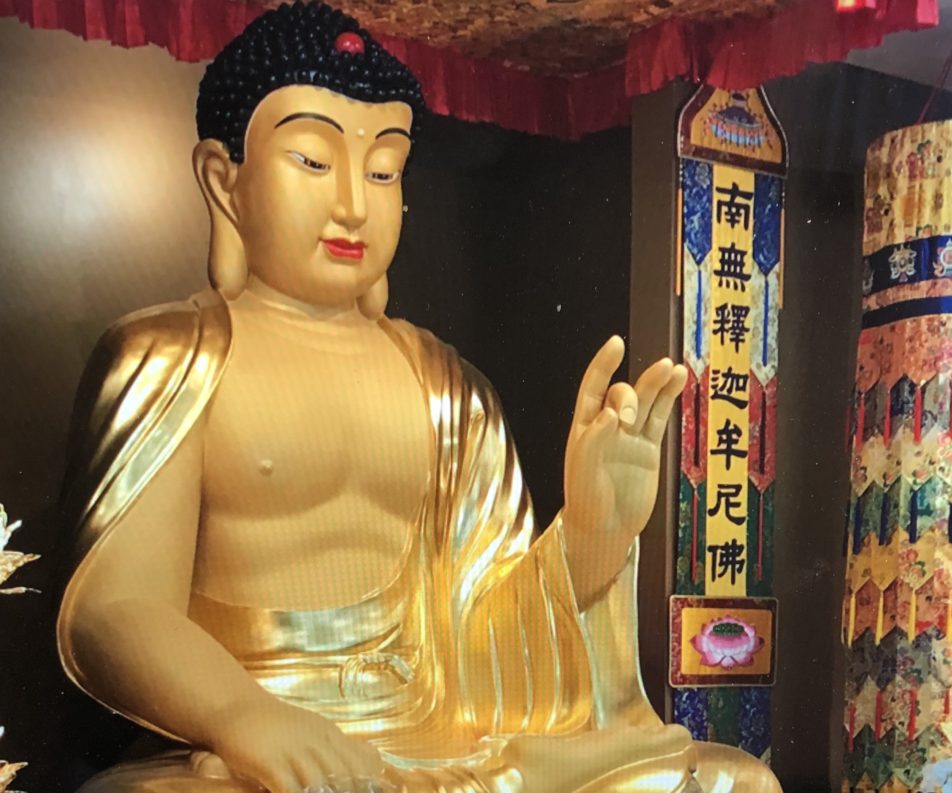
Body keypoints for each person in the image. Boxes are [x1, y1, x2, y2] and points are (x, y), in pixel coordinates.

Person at [56, 4, 783, 791]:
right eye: (310, 160)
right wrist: (242, 714)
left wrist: (592, 533)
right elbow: (114, 610)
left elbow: (486, 640)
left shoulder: (447, 385)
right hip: (245, 755)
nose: (352, 204)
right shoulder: (171, 357)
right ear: (223, 180)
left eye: (382, 171)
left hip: (442, 741)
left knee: (732, 781)